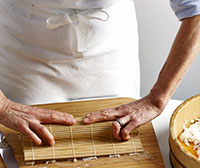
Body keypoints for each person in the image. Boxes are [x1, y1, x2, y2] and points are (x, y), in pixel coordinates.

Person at [0, 0, 200, 145]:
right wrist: (3, 106)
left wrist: (158, 98)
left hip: (109, 51)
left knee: (117, 143)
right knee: (28, 146)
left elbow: (196, 11)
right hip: (23, 52)